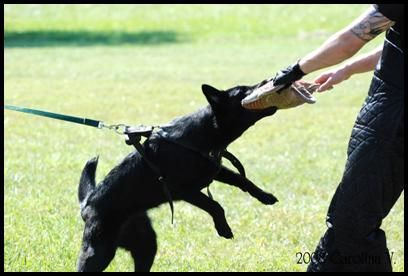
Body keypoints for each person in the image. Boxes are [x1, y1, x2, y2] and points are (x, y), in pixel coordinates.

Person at [242, 4, 404, 272]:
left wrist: (294, 71)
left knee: (352, 222)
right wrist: (349, 68)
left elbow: (354, 36)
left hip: (394, 115)